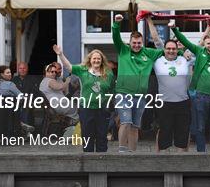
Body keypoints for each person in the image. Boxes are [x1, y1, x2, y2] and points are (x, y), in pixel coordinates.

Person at [170, 21, 210, 152]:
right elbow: (185, 42)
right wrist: (174, 29)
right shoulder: (200, 52)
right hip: (200, 96)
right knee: (200, 127)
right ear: (205, 44)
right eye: (208, 43)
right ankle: (201, 153)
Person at [113, 14, 164, 152]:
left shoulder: (148, 53)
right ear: (129, 42)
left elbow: (161, 46)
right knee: (126, 122)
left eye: (139, 43)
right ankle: (122, 152)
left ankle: (133, 154)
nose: (136, 45)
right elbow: (116, 37)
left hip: (140, 96)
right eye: (134, 43)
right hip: (123, 94)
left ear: (142, 42)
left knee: (135, 126)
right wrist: (117, 24)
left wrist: (149, 21)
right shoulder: (123, 50)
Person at [54, 46, 115, 152]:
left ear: (102, 61)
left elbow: (112, 90)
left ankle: (102, 163)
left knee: (102, 136)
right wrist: (60, 54)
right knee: (87, 136)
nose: (96, 60)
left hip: (102, 110)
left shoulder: (108, 73)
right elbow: (69, 67)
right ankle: (88, 162)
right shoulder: (83, 70)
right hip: (86, 109)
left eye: (98, 59)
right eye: (94, 58)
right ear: (90, 60)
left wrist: (109, 104)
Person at [152, 39, 193, 152]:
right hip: (164, 103)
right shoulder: (157, 61)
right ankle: (160, 161)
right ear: (164, 50)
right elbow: (156, 40)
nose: (171, 51)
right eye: (168, 48)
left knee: (183, 132)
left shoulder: (184, 59)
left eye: (174, 49)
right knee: (163, 132)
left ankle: (182, 163)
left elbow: (197, 47)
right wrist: (149, 21)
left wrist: (209, 27)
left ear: (177, 50)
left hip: (183, 102)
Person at [0, 65, 33, 134]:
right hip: (9, 112)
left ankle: (21, 123)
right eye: (7, 73)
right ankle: (21, 124)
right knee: (23, 106)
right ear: (2, 74)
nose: (10, 74)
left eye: (10, 72)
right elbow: (21, 96)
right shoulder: (10, 84)